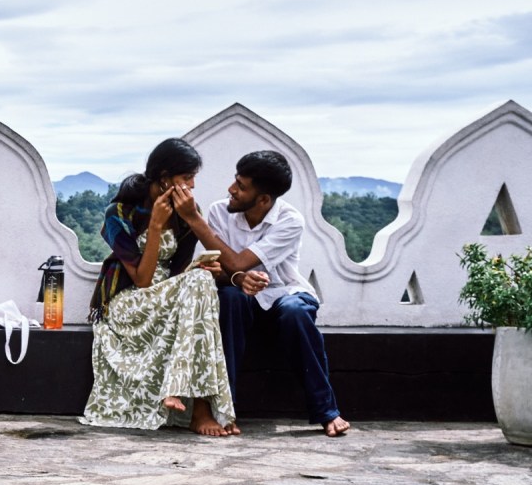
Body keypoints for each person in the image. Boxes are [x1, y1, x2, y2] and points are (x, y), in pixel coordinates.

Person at [179, 151, 351, 437]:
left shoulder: (289, 221)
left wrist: (194, 221)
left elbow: (235, 261)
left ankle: (327, 411)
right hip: (239, 295)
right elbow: (219, 269)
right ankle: (225, 410)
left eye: (241, 187)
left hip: (284, 292)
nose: (232, 190)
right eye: (235, 181)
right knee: (230, 299)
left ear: (263, 199)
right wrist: (238, 278)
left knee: (296, 313)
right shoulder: (220, 212)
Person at [80, 138, 237, 437]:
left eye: (193, 179)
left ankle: (186, 397)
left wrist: (200, 267)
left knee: (201, 279)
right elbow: (140, 278)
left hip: (165, 294)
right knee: (198, 283)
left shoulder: (187, 212)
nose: (191, 186)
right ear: (164, 179)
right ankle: (200, 408)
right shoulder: (120, 212)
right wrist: (154, 225)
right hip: (128, 301)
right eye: (186, 178)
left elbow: (178, 271)